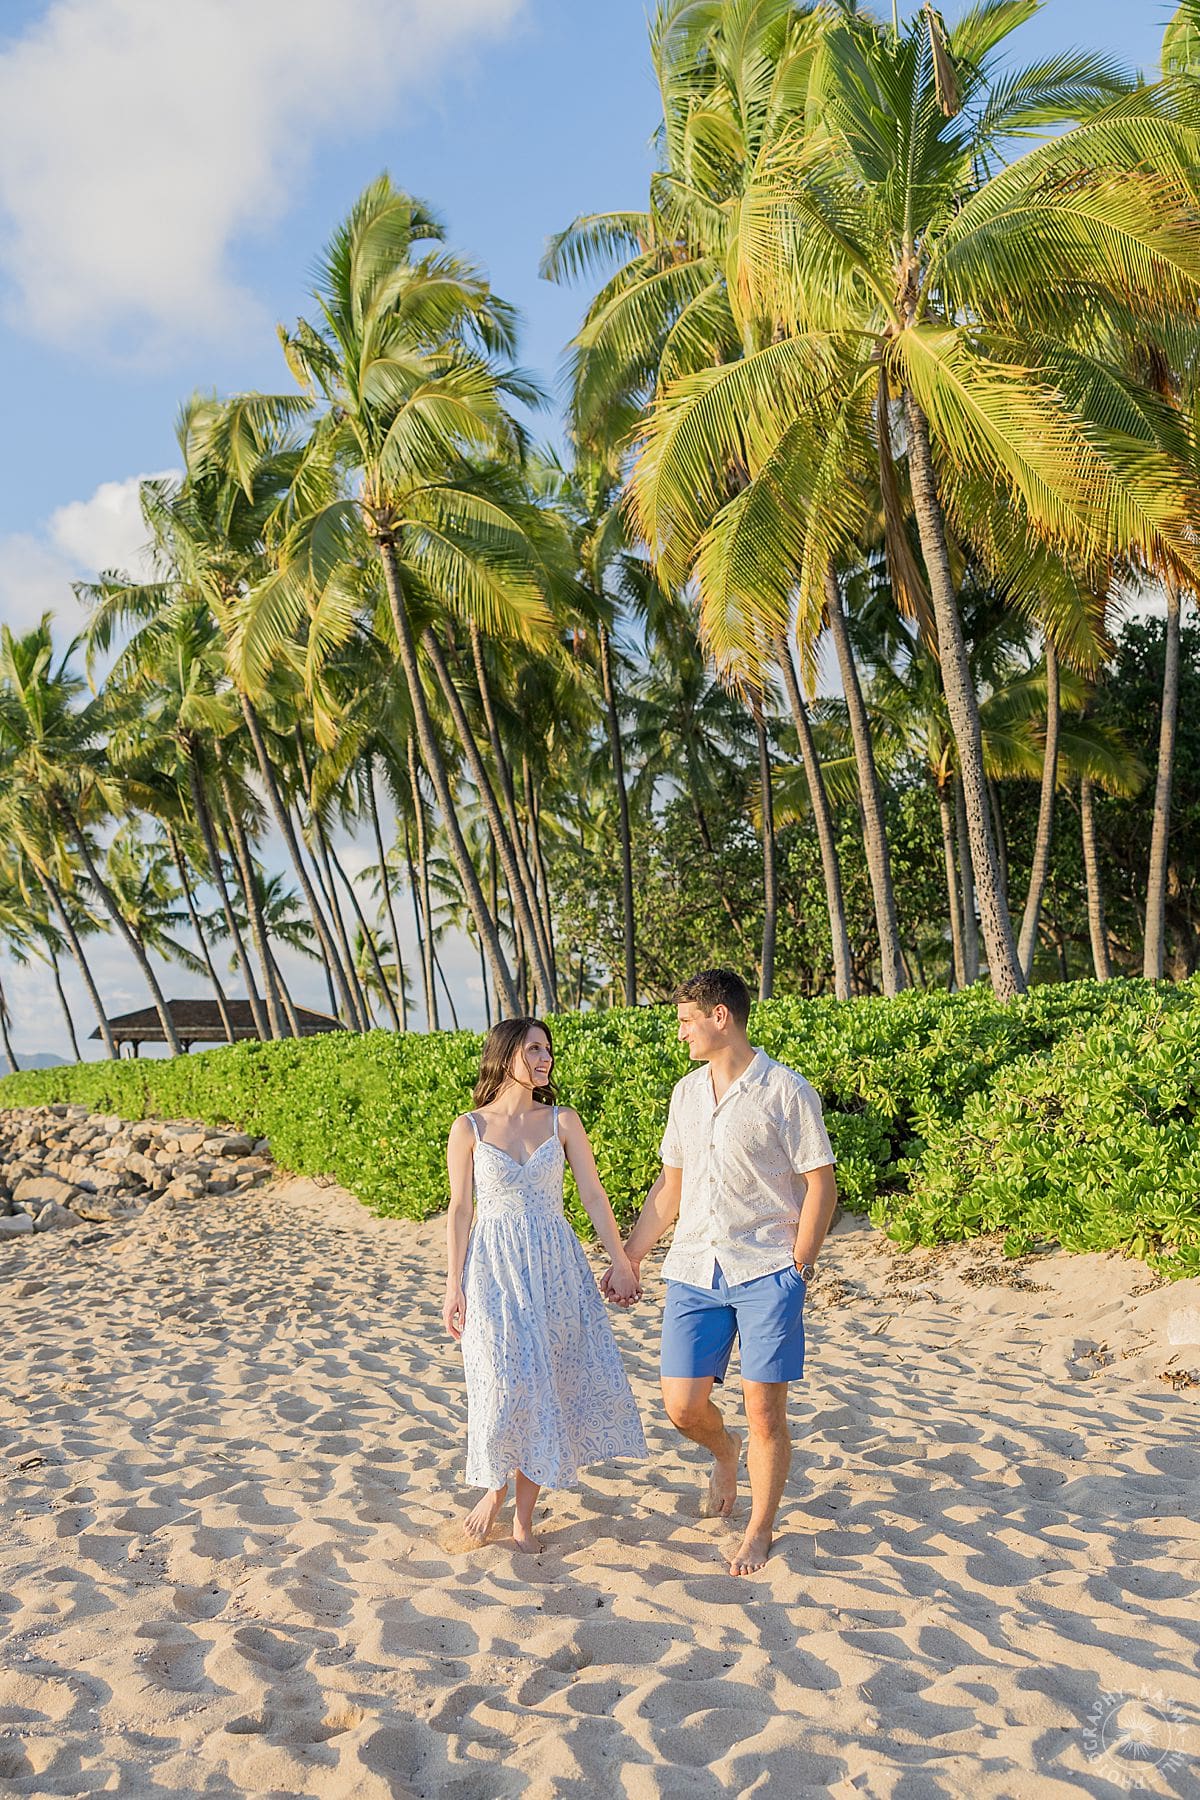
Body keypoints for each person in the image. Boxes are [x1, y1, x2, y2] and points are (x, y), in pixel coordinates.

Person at [603, 968, 838, 1577]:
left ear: (719, 1017)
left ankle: (760, 1527)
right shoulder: (685, 1094)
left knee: (765, 1412)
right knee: (682, 1407)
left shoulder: (786, 1091)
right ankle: (723, 1449)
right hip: (692, 1269)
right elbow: (670, 1185)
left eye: (686, 1020)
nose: (679, 1032)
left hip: (766, 1271)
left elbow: (821, 1184)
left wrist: (799, 1267)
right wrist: (631, 1255)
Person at [444, 1017, 646, 1550]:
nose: (544, 1058)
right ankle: (493, 1487)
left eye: (548, 1050)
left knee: (546, 1383)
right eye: (533, 1048)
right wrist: (452, 1285)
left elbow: (594, 1196)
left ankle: (523, 1520)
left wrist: (621, 1260)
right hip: (491, 1269)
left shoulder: (562, 1121)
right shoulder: (469, 1128)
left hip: (554, 1267)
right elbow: (460, 1209)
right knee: (503, 1382)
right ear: (505, 1053)